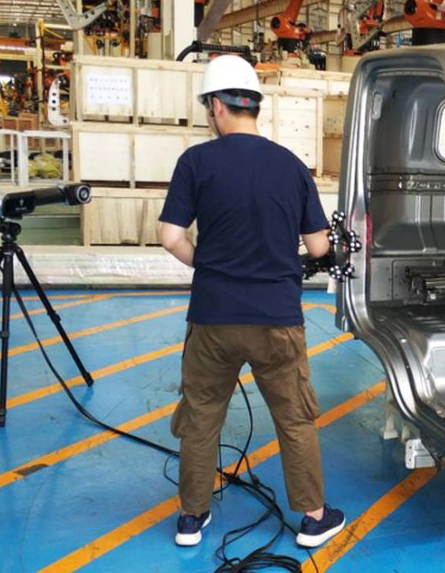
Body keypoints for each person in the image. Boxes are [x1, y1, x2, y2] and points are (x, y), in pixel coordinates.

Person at [158, 55, 344, 548]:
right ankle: (313, 517)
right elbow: (319, 247)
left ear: (217, 107)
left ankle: (191, 517)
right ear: (253, 105)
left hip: (212, 318)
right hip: (275, 318)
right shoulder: (291, 166)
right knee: (294, 417)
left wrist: (207, 265)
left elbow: (170, 236)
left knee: (201, 414)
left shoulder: (195, 162)